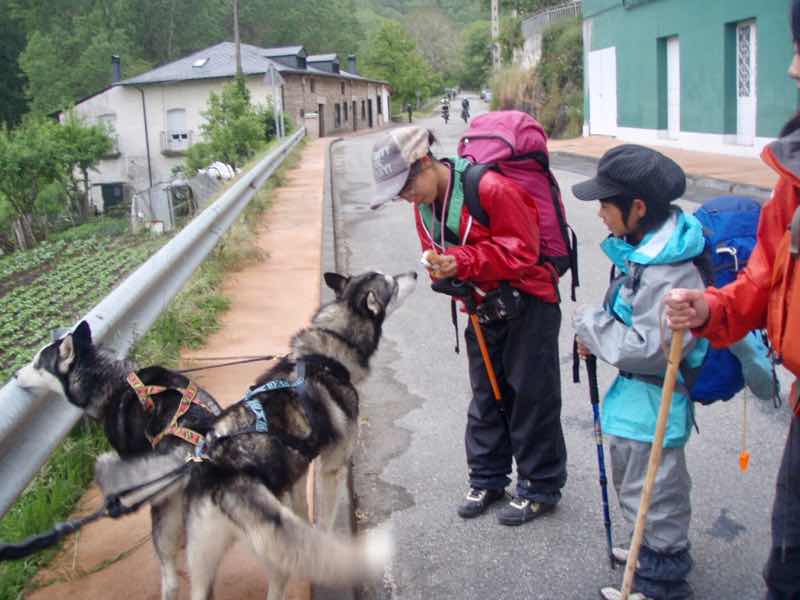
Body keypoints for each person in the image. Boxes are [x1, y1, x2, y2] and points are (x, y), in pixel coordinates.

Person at [664, 3, 800, 596]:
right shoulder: (794, 177)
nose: (794, 72)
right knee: (787, 566)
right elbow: (765, 273)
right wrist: (713, 309)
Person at [370, 126, 566, 525]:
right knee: (485, 396)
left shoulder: (491, 188)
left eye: (406, 185)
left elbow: (523, 251)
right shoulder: (422, 204)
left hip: (528, 303)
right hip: (480, 307)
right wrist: (443, 271)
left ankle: (540, 486)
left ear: (425, 162)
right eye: (398, 193)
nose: (405, 196)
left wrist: (462, 262)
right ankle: (488, 478)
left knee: (530, 396)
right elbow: (439, 250)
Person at [573, 145, 707, 600]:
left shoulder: (671, 270)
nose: (600, 214)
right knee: (640, 486)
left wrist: (590, 325)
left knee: (658, 494)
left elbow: (651, 349)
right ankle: (645, 554)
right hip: (638, 402)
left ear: (638, 207)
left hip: (656, 401)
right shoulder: (645, 252)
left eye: (606, 205)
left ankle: (660, 582)